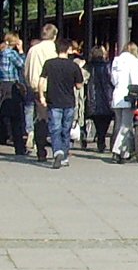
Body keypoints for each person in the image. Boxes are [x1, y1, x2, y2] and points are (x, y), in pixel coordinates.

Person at [38, 38, 83, 169]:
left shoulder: (49, 64)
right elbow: (79, 86)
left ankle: (57, 151)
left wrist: (42, 96)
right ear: (68, 50)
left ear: (56, 49)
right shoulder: (73, 66)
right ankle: (64, 156)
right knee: (66, 129)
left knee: (55, 129)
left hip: (54, 101)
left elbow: (41, 81)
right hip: (69, 102)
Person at [24, 23, 58, 162]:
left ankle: (41, 150)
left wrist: (30, 84)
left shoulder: (33, 50)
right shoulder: (54, 50)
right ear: (54, 36)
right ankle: (59, 150)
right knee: (57, 118)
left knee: (41, 118)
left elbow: (26, 70)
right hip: (54, 88)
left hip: (37, 89)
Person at [111, 42, 138, 163]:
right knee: (126, 125)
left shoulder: (116, 60)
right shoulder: (133, 61)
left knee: (119, 124)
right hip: (128, 95)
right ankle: (117, 151)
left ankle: (125, 153)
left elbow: (113, 80)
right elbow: (136, 81)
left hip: (117, 94)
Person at [0, 32, 27, 157]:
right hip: (11, 85)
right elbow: (22, 65)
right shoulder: (12, 53)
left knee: (3, 115)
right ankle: (19, 148)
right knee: (16, 118)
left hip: (1, 85)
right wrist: (21, 50)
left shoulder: (1, 52)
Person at [84, 46, 113, 152]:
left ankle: (100, 139)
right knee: (106, 119)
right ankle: (101, 138)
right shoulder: (107, 66)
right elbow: (111, 80)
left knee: (97, 119)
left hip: (93, 96)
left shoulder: (89, 66)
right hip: (106, 95)